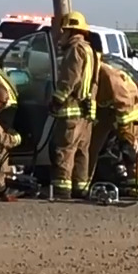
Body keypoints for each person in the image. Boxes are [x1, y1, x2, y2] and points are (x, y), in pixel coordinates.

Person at [50, 11, 100, 198]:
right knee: (81, 151)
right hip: (87, 111)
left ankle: (62, 189)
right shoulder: (91, 51)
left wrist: (57, 99)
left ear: (71, 31)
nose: (61, 35)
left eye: (64, 31)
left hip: (72, 110)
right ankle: (81, 188)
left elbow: (70, 78)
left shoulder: (75, 49)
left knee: (65, 149)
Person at [89, 61, 138, 193]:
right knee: (92, 145)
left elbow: (123, 100)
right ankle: (86, 183)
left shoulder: (108, 74)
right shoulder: (91, 70)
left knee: (130, 147)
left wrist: (124, 127)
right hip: (107, 108)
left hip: (127, 109)